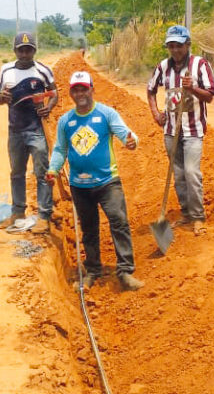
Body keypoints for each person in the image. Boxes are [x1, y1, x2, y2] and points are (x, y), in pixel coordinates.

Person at [46, 71, 144, 291]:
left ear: (92, 89)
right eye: (75, 89)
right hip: (79, 185)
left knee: (118, 221)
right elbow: (61, 149)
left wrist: (131, 142)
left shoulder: (106, 114)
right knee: (89, 229)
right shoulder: (66, 121)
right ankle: (92, 271)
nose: (80, 93)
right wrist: (53, 168)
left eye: (84, 88)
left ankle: (125, 271)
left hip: (108, 181)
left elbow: (126, 134)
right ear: (71, 92)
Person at [147, 25, 214, 236]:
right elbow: (150, 89)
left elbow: (211, 96)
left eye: (179, 45)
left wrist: (192, 89)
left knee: (191, 172)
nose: (175, 50)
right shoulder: (162, 67)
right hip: (170, 130)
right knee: (178, 174)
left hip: (193, 129)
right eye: (171, 46)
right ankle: (186, 213)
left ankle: (198, 216)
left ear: (187, 44)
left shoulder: (200, 65)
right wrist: (155, 113)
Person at [0, 32, 58, 233]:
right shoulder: (6, 70)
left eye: (28, 50)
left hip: (37, 130)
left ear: (34, 51)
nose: (24, 54)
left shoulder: (43, 70)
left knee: (42, 172)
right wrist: (1, 97)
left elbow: (55, 93)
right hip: (15, 130)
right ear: (15, 51)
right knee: (17, 173)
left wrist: (49, 106)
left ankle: (44, 215)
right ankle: (18, 212)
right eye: (21, 50)